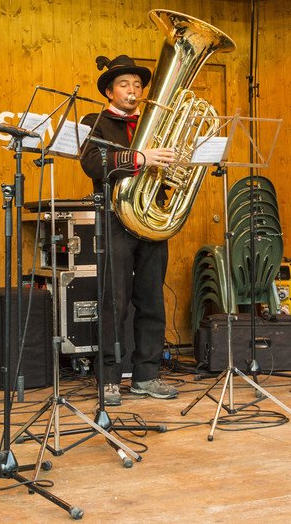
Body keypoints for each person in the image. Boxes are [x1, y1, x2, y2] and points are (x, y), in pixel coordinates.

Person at [80, 55, 178, 407]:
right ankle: (108, 377)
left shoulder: (156, 122)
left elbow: (170, 161)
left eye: (137, 85)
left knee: (151, 299)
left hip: (151, 216)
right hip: (115, 217)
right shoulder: (96, 121)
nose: (133, 91)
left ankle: (147, 375)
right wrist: (139, 159)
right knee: (114, 300)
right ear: (110, 90)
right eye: (124, 85)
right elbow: (92, 163)